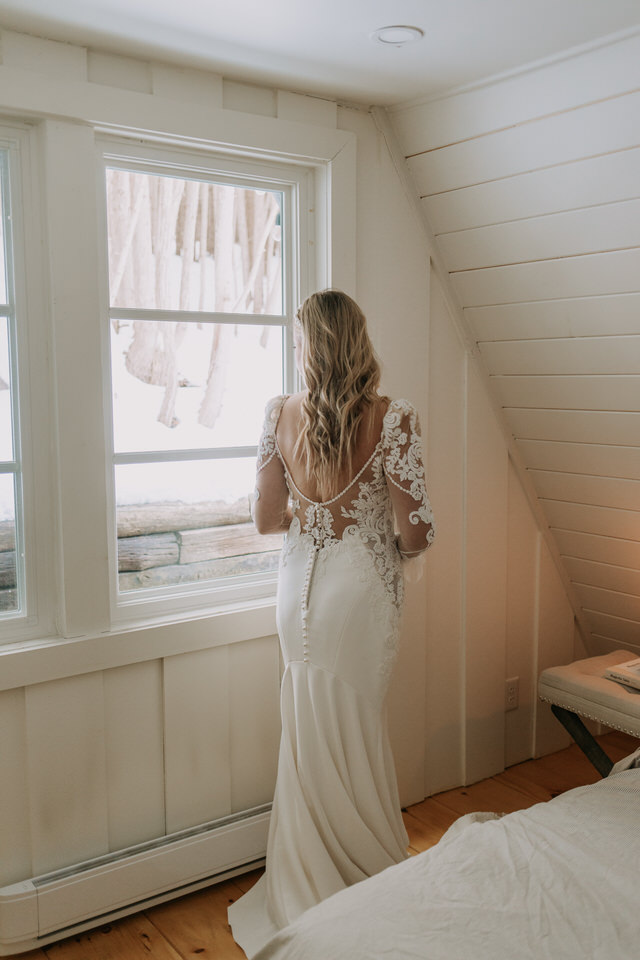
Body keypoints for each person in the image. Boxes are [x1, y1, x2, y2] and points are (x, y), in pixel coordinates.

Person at [228, 289, 435, 958]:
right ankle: (360, 868)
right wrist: (380, 529)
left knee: (307, 723)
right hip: (358, 595)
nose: (294, 353)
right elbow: (412, 532)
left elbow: (265, 520)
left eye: (297, 342)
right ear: (358, 341)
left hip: (297, 591)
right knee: (354, 722)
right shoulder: (393, 417)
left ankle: (302, 873)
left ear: (312, 347)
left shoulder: (276, 414)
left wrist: (314, 518)